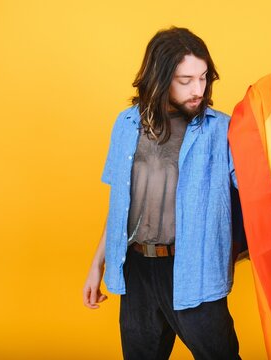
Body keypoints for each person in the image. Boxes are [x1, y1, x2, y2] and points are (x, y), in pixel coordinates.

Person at [82, 26, 244, 360]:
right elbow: (119, 205)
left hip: (194, 271)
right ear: (159, 77)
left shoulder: (224, 130)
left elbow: (259, 198)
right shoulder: (125, 125)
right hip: (136, 269)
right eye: (185, 80)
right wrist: (96, 265)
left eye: (203, 78)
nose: (198, 89)